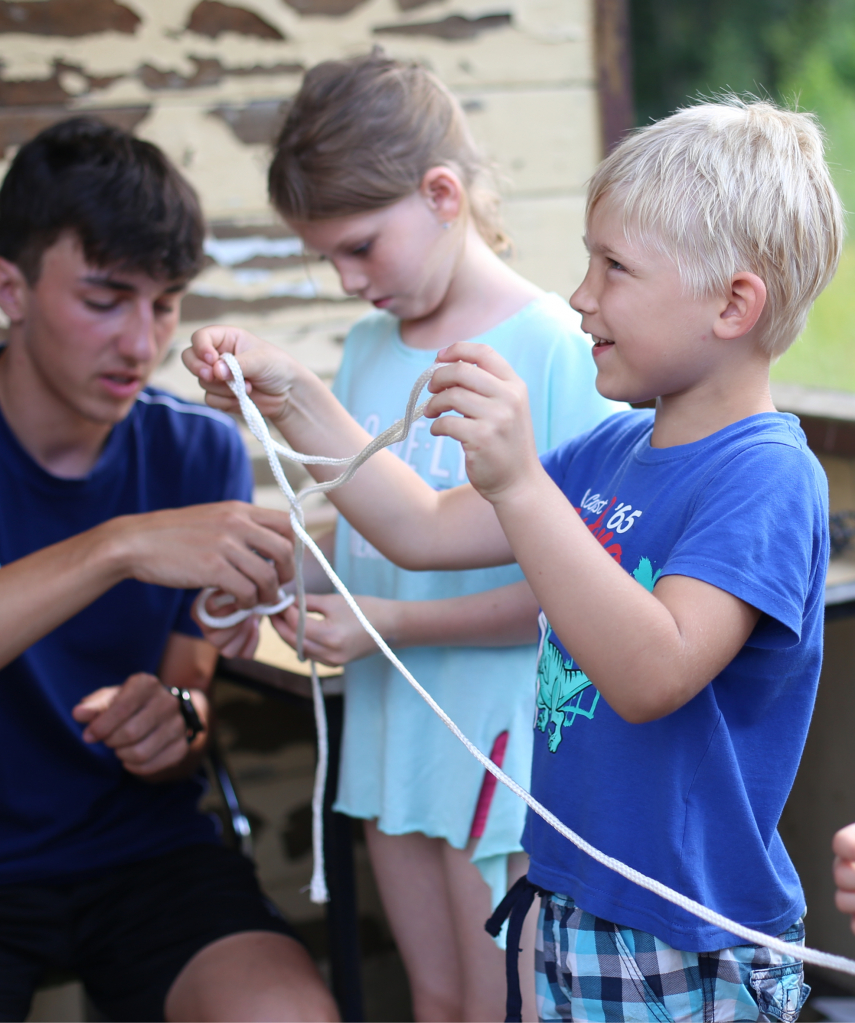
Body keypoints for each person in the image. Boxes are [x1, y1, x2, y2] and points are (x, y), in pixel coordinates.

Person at [186, 96, 840, 1022]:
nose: (581, 294)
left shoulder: (767, 475)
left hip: (684, 933)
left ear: (733, 303)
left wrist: (520, 483)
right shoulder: (611, 453)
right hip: (571, 891)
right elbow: (418, 528)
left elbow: (653, 672)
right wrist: (291, 394)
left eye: (613, 267)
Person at [0, 117, 337, 1023]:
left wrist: (172, 720)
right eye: (106, 298)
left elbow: (188, 692)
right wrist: (117, 546)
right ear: (8, 289)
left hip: (145, 853)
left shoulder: (195, 450)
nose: (141, 342)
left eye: (166, 301)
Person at [198, 54, 623, 1022]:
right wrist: (261, 570)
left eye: (359, 247)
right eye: (327, 258)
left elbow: (568, 594)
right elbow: (362, 525)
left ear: (441, 194)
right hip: (392, 733)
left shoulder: (555, 348)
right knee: (433, 1000)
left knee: (499, 1008)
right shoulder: (363, 351)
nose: (348, 281)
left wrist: (386, 619)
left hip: (501, 742)